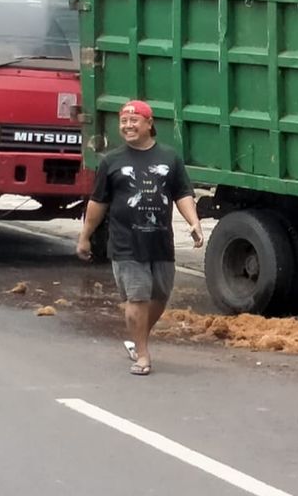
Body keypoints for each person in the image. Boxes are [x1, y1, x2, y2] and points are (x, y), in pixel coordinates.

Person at [75, 100, 203, 376]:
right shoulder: (111, 161)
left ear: (149, 123)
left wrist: (193, 222)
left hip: (160, 242)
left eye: (134, 121)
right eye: (123, 121)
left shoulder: (169, 158)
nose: (128, 126)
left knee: (159, 297)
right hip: (126, 243)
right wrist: (85, 236)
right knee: (137, 298)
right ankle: (143, 355)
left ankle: (136, 339)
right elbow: (98, 203)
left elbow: (182, 193)